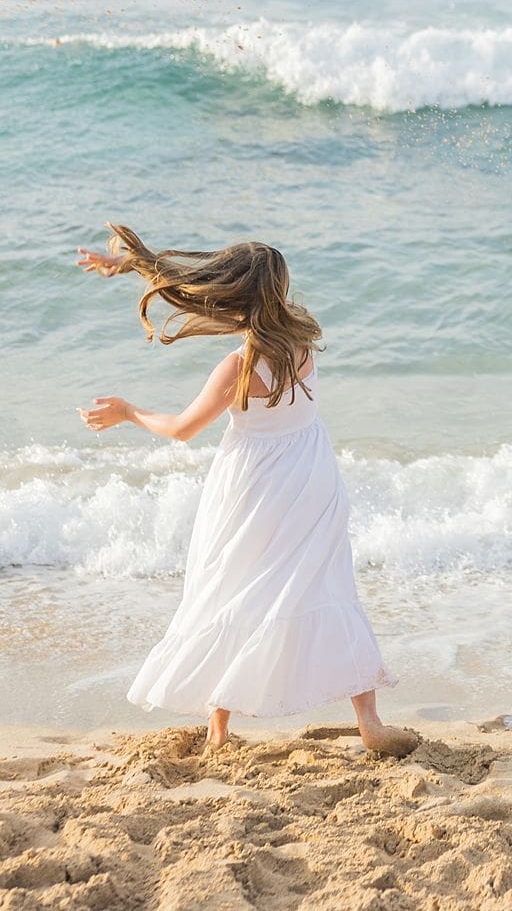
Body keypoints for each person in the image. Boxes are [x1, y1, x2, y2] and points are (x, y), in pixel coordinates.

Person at [76, 224, 415, 755]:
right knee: (328, 586)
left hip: (253, 485)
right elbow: (224, 303)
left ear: (231, 295)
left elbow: (183, 429)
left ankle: (218, 730)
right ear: (279, 290)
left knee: (229, 586)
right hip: (311, 475)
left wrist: (129, 412)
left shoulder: (238, 367)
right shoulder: (302, 337)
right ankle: (369, 721)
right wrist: (134, 265)